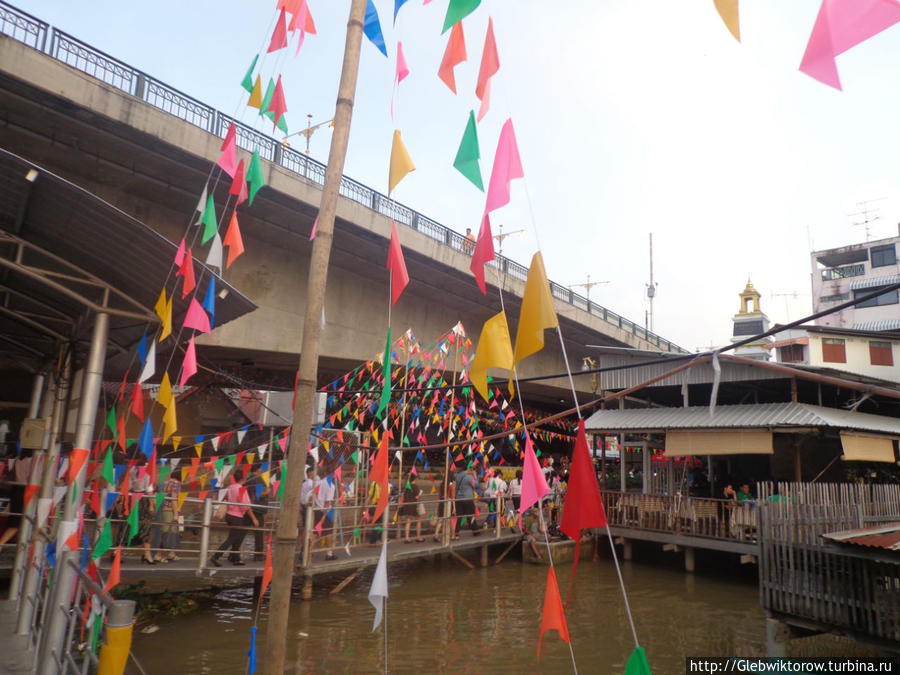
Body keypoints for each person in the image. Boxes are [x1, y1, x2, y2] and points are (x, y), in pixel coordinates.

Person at [210, 474, 258, 567]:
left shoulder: (230, 487)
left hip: (229, 515)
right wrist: (254, 518)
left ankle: (235, 557)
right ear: (243, 479)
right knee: (232, 538)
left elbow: (224, 497)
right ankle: (216, 556)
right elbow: (246, 506)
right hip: (237, 516)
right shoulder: (241, 489)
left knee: (237, 537)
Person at [244, 463, 270, 561]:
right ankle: (258, 554)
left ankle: (234, 552)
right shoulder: (259, 479)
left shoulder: (248, 479)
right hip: (257, 508)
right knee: (259, 532)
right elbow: (258, 494)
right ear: (257, 470)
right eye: (260, 468)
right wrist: (267, 491)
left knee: (242, 530)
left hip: (248, 508)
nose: (262, 470)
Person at [157, 470, 181, 562]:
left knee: (169, 532)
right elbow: (174, 499)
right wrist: (176, 514)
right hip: (170, 510)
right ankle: (159, 554)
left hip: (162, 509)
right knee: (168, 532)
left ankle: (171, 553)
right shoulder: (176, 484)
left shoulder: (164, 483)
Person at [454, 466, 482, 537]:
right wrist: (475, 476)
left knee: (459, 517)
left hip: (458, 499)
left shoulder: (458, 475)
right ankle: (475, 531)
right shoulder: (469, 477)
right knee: (471, 515)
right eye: (473, 471)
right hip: (467, 499)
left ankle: (456, 532)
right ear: (470, 470)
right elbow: (476, 485)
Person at [313, 474, 336, 560]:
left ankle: (305, 551)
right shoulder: (331, 486)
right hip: (325, 512)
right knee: (328, 532)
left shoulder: (318, 482)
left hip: (317, 510)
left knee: (315, 532)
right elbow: (327, 503)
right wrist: (324, 516)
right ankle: (329, 554)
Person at [399, 477, 424, 543]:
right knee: (419, 520)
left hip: (406, 505)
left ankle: (407, 538)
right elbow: (417, 497)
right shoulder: (415, 486)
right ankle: (418, 537)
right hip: (413, 506)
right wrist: (421, 492)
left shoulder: (407, 486)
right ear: (415, 479)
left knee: (408, 522)